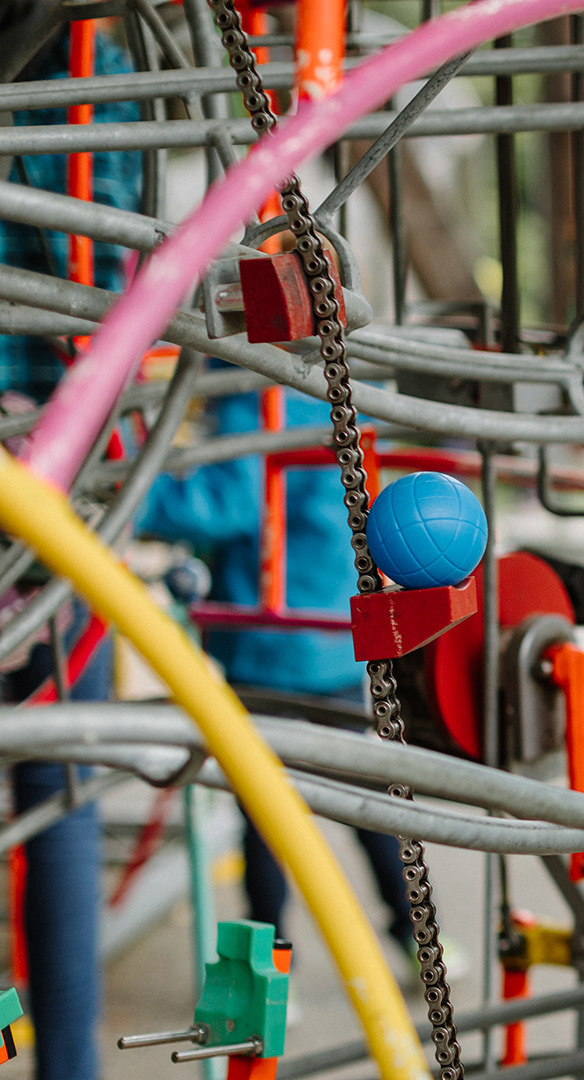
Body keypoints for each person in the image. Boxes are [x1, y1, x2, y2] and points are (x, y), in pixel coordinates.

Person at [139, 383, 418, 967]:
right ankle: (416, 941)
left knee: (264, 817)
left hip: (270, 650)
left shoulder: (253, 397)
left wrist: (128, 488)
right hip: (332, 634)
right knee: (363, 800)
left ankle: (267, 965)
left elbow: (226, 503)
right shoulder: (337, 392)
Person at [0, 27, 144, 1080]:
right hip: (64, 445)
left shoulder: (89, 71)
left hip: (52, 448)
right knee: (61, 777)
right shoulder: (95, 74)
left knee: (59, 778)